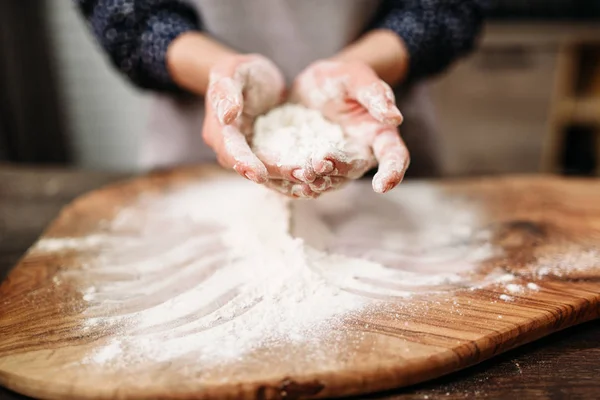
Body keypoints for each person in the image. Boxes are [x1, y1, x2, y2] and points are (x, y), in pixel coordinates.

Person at [75, 0, 489, 197]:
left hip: (371, 136)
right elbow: (120, 12)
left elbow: (451, 7)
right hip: (200, 157)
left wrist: (361, 64)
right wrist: (220, 73)